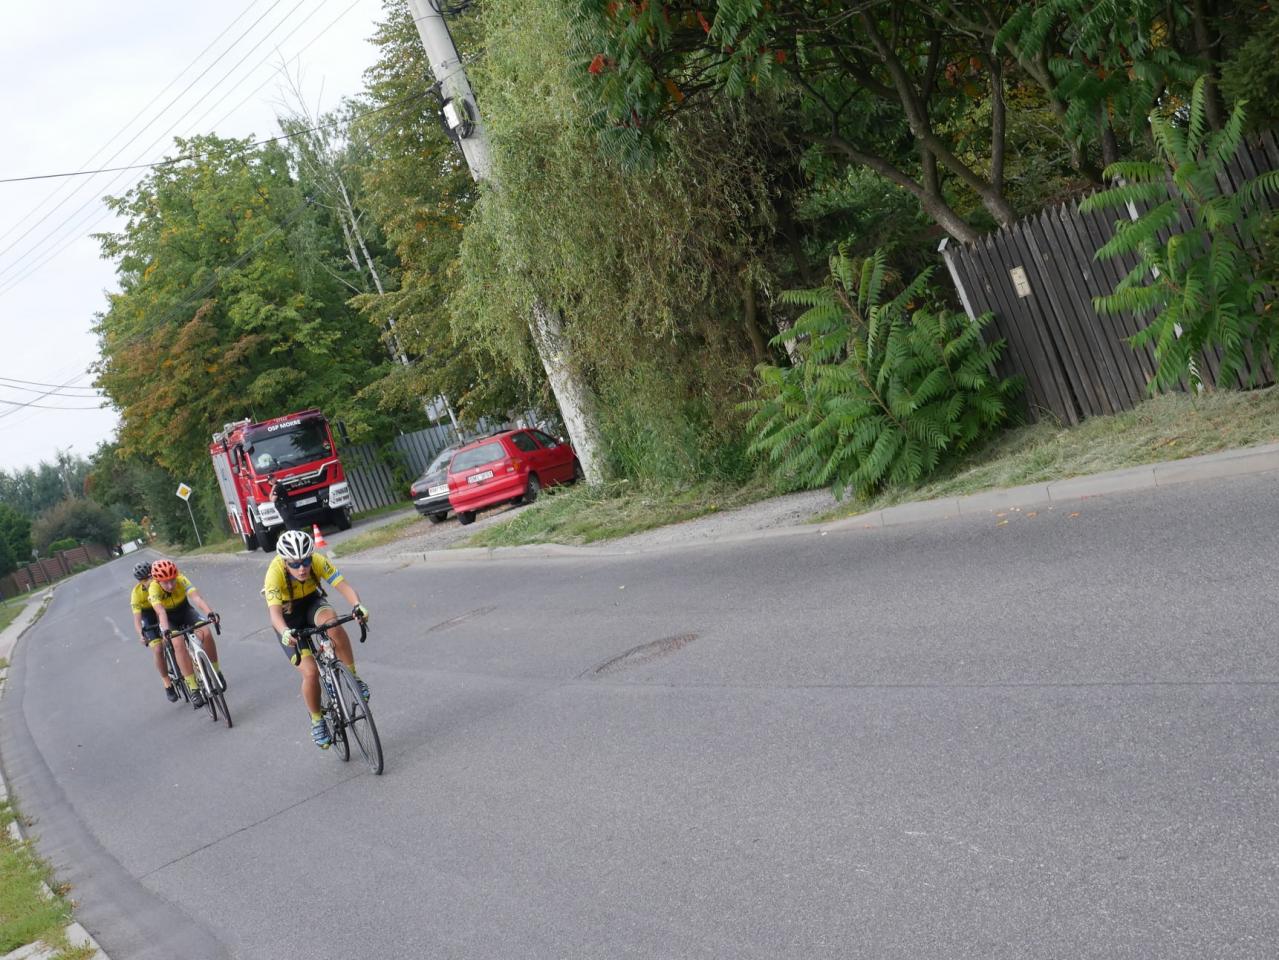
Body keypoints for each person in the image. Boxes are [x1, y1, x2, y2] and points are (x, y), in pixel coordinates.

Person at [264, 529, 369, 749]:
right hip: (288, 618)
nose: (302, 568)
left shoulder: (319, 561)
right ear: (284, 562)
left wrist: (357, 606)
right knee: (310, 673)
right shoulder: (274, 573)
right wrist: (285, 632)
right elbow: (274, 615)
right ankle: (317, 720)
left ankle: (354, 677)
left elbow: (344, 587)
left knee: (333, 623)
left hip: (312, 604)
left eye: (306, 561)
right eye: (294, 564)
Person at [148, 558, 224, 710]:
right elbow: (161, 612)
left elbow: (196, 598)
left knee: (206, 633)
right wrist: (165, 630)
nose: (170, 585)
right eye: (165, 582)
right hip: (169, 619)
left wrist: (209, 613)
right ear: (157, 581)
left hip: (186, 612)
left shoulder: (181, 579)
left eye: (172, 580)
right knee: (177, 643)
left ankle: (216, 673)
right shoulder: (153, 589)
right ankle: (193, 687)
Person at [129, 561, 178, 702]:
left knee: (174, 636)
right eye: (144, 580)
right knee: (157, 649)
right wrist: (141, 634)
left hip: (162, 608)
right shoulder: (136, 594)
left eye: (150, 577)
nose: (148, 582)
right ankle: (167, 683)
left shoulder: (160, 585)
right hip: (148, 615)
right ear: (139, 582)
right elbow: (137, 619)